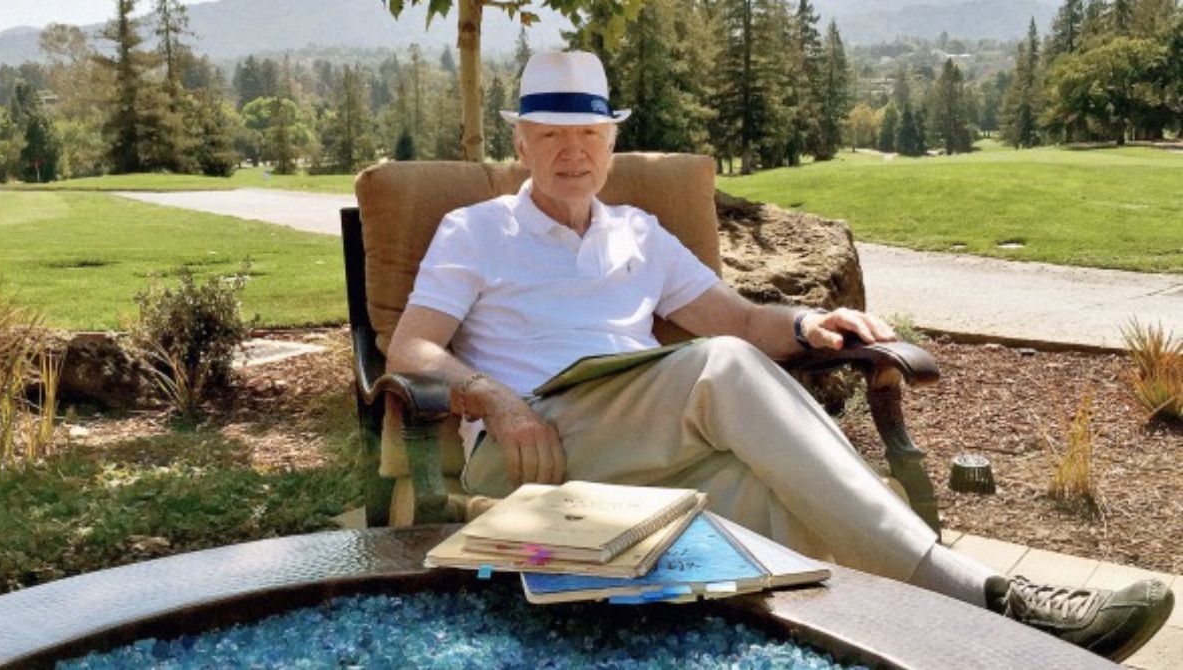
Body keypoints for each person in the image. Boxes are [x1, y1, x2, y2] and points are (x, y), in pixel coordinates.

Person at [386, 50, 1173, 661]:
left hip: (639, 453)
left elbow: (735, 316)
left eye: (587, 134)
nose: (571, 152)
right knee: (720, 366)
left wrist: (807, 324)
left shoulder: (638, 234)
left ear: (612, 141)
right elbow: (411, 344)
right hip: (532, 447)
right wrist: (496, 400)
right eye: (551, 135)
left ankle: (942, 646)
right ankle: (988, 600)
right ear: (520, 141)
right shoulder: (476, 230)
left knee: (766, 494)